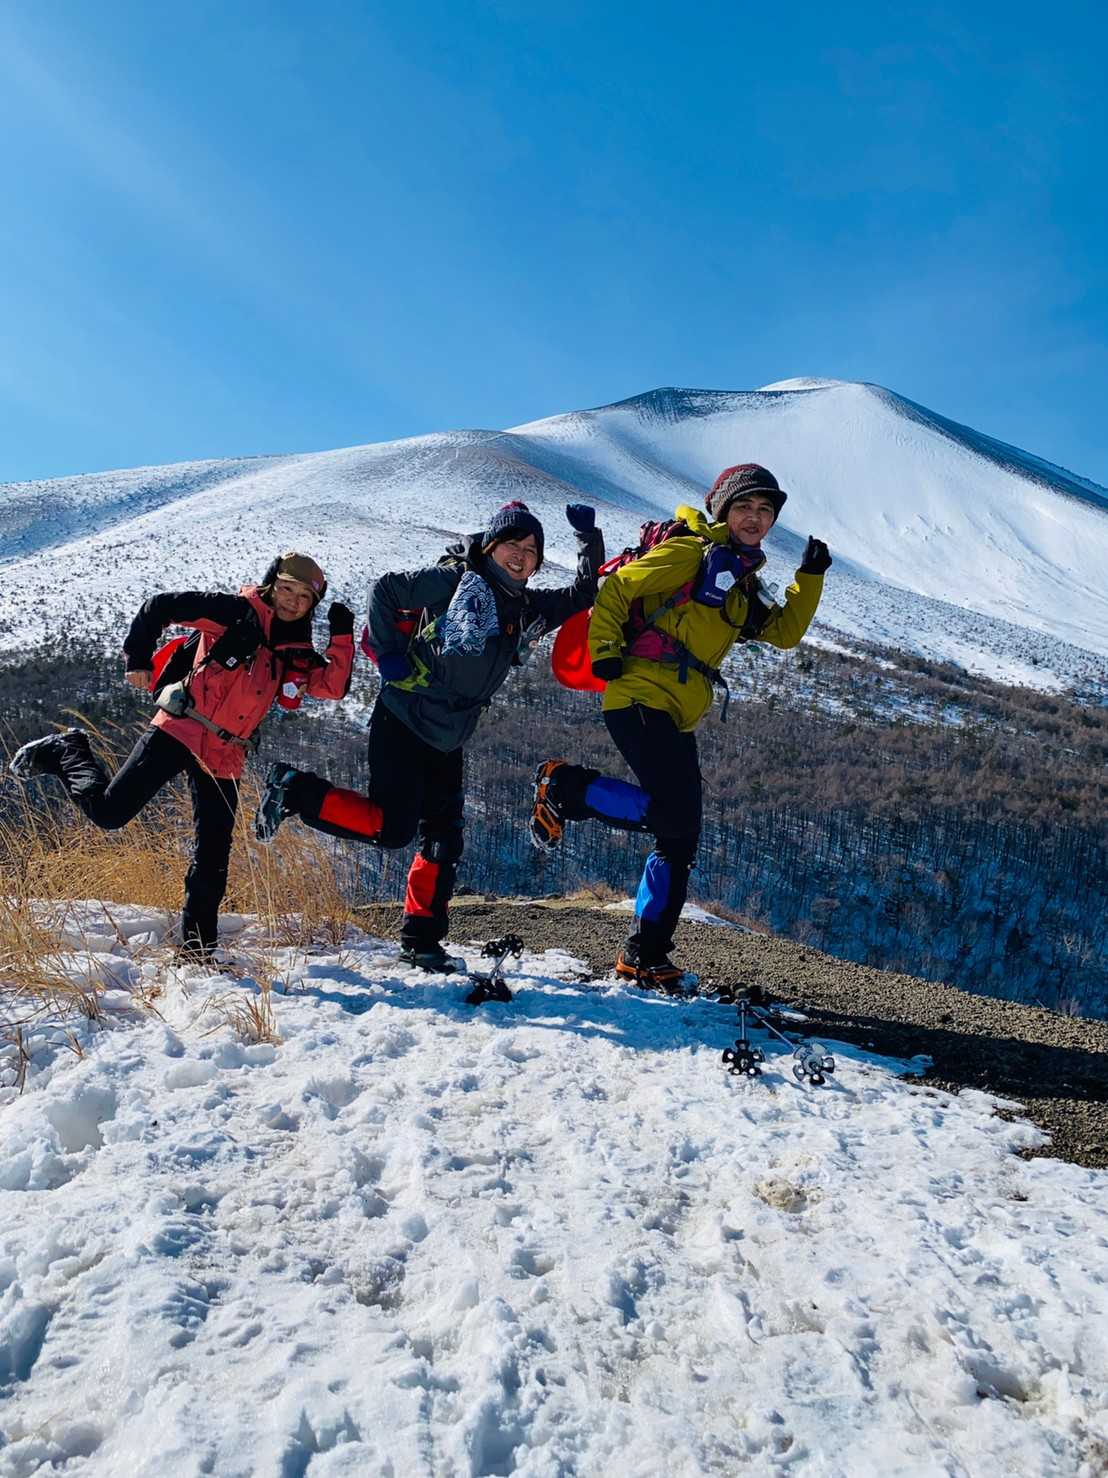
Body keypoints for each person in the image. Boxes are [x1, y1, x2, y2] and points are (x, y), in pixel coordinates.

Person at [254, 501, 604, 973]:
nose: (521, 556)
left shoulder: (527, 606)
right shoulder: (455, 581)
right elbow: (386, 590)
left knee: (444, 839)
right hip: (403, 718)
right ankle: (295, 790)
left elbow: (584, 593)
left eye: (531, 550)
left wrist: (587, 538)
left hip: (450, 735)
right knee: (392, 829)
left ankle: (421, 940)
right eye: (512, 545)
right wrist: (389, 652)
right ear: (491, 546)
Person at [530, 463, 831, 991]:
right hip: (639, 695)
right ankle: (566, 788)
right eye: (745, 507)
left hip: (674, 710)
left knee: (680, 836)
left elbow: (782, 632)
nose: (755, 518)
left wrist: (810, 579)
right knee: (674, 818)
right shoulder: (692, 552)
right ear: (722, 510)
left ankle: (645, 956)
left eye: (765, 511)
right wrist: (603, 652)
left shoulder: (738, 578)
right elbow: (620, 588)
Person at [9, 554, 355, 962]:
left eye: (303, 596)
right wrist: (137, 656)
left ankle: (197, 949)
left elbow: (332, 688)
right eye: (286, 588)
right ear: (270, 584)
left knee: (212, 852)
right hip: (181, 728)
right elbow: (161, 606)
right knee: (110, 813)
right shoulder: (235, 612)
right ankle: (68, 750)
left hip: (227, 753)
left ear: (312, 604)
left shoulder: (294, 650)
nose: (292, 601)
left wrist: (341, 636)